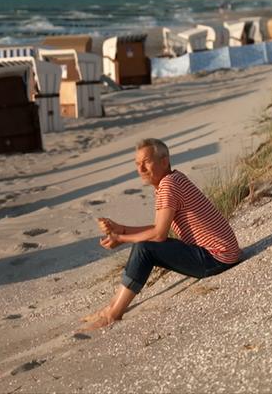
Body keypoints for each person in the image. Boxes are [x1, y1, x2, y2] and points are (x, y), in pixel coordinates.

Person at [80, 138, 242, 331]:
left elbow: (158, 236)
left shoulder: (168, 186)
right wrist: (121, 229)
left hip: (216, 259)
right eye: (137, 164)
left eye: (146, 162)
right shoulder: (173, 179)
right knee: (145, 246)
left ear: (164, 161)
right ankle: (110, 307)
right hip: (220, 254)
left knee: (144, 249)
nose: (140, 169)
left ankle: (112, 315)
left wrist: (121, 239)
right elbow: (158, 228)